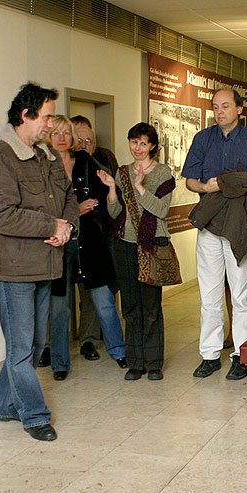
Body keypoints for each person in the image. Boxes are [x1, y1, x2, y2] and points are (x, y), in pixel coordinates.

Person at [0, 82, 78, 442]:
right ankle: (34, 415)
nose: (51, 125)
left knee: (33, 346)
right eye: (48, 117)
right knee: (22, 348)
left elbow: (67, 196)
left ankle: (3, 404)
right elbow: (0, 215)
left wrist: (66, 226)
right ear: (26, 115)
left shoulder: (45, 157)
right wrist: (48, 225)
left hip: (44, 264)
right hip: (13, 270)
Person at [182, 88, 247, 381]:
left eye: (226, 106)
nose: (220, 112)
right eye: (216, 107)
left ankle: (242, 355)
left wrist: (235, 185)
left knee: (242, 295)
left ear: (239, 110)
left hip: (242, 224)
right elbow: (190, 181)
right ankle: (209, 354)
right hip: (209, 223)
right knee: (209, 294)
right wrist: (206, 188)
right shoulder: (202, 139)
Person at [46, 115, 126, 381]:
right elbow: (40, 209)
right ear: (49, 137)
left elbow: (104, 200)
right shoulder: (42, 166)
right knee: (59, 307)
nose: (61, 138)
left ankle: (118, 350)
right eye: (55, 133)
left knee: (103, 300)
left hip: (90, 243)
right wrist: (74, 212)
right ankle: (59, 362)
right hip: (58, 245)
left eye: (65, 133)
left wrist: (111, 189)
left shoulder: (85, 161)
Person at [99, 122, 174, 381]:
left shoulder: (163, 173)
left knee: (151, 306)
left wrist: (141, 186)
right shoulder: (122, 173)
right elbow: (115, 213)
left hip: (152, 244)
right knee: (130, 305)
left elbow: (161, 211)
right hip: (125, 244)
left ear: (152, 146)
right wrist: (111, 189)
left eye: (143, 143)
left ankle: (153, 363)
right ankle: (135, 362)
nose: (137, 148)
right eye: (133, 142)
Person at [68, 115, 120, 361]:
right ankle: (58, 346)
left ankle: (94, 339)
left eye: (89, 140)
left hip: (103, 233)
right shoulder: (62, 165)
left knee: (101, 290)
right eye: (80, 140)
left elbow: (116, 190)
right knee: (65, 293)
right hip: (71, 235)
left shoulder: (104, 158)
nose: (85, 145)